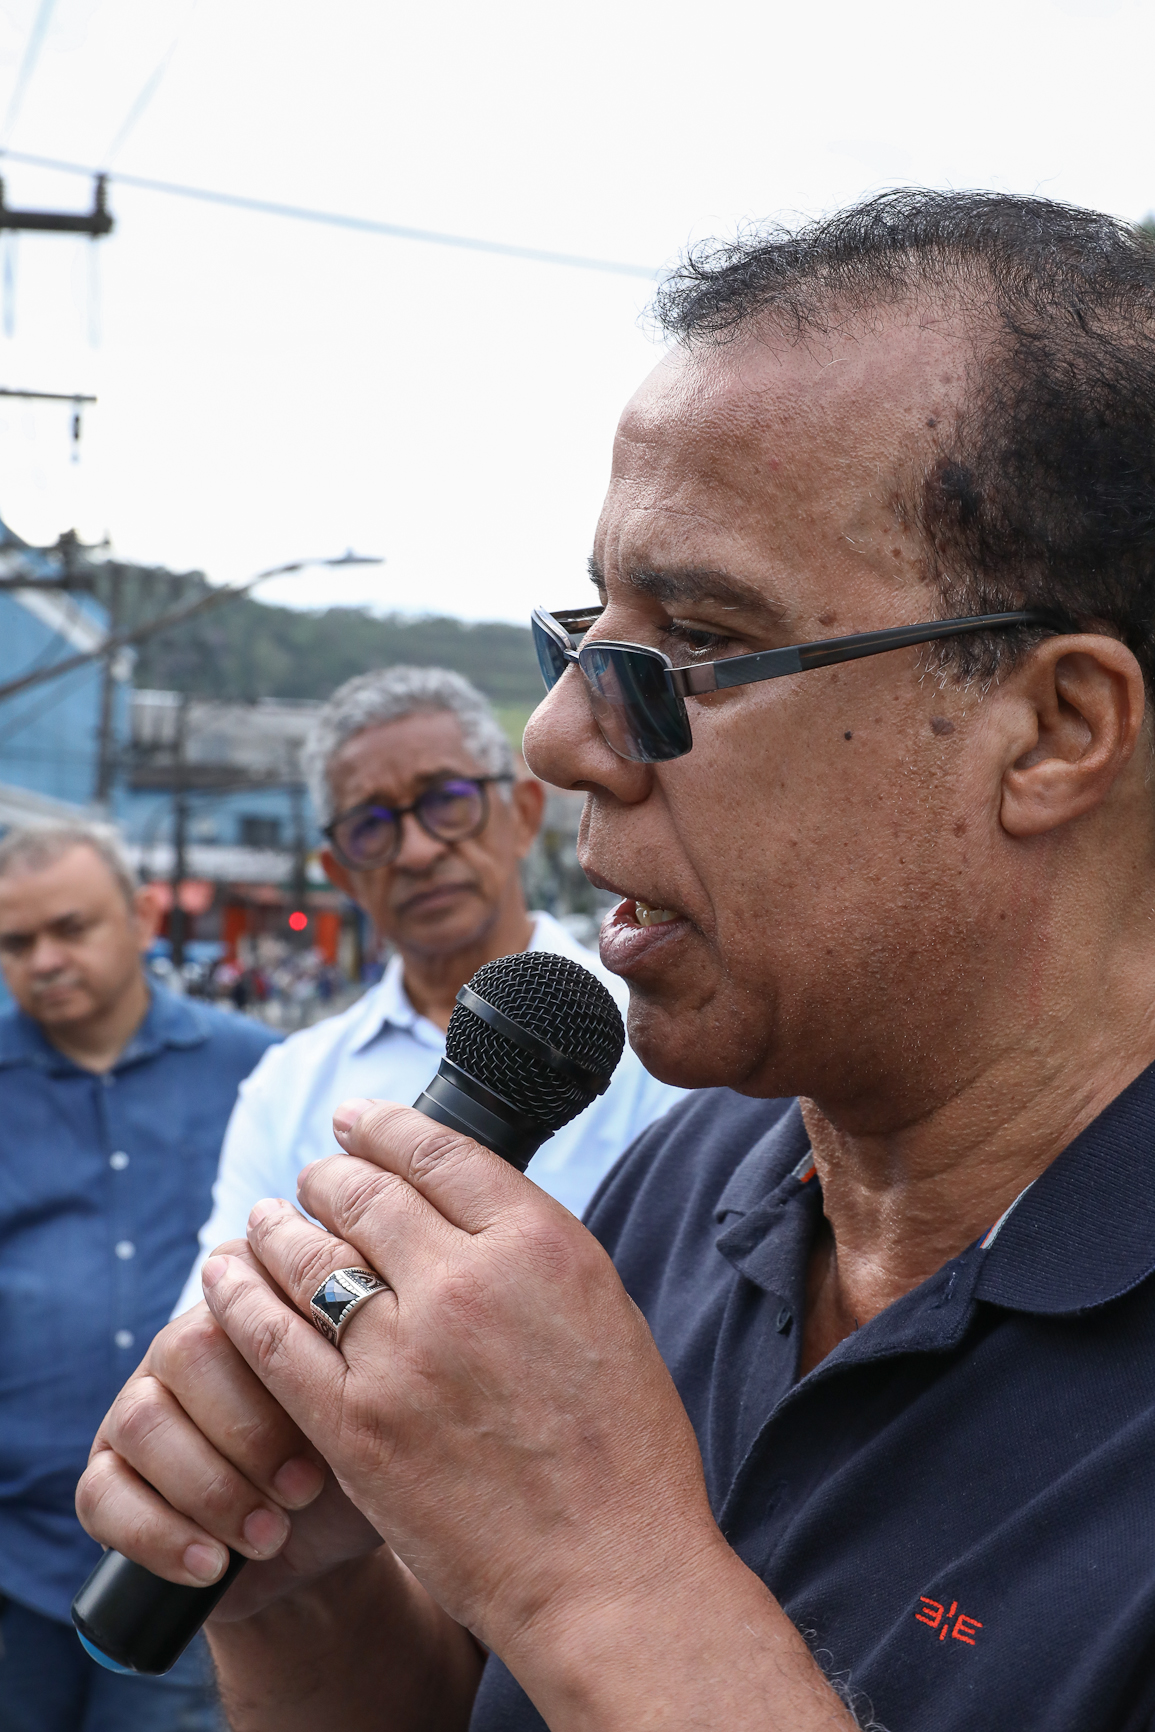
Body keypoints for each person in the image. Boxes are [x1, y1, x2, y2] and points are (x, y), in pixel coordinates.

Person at [77, 188, 1155, 1731]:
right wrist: (301, 1588)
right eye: (580, 639)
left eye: (690, 650)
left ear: (1051, 730)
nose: (557, 738)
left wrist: (606, 1582)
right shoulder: (689, 1187)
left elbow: (590, 1616)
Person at [173, 666, 682, 1315]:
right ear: (341, 874)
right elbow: (215, 1322)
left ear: (523, 816)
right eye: (370, 825)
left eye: (445, 801)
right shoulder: (288, 1088)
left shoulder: (659, 1041)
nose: (415, 851)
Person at [0, 822, 278, 1732]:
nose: (45, 960)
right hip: (13, 1553)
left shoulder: (256, 1073)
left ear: (143, 916)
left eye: (70, 928)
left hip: (190, 1546)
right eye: (16, 942)